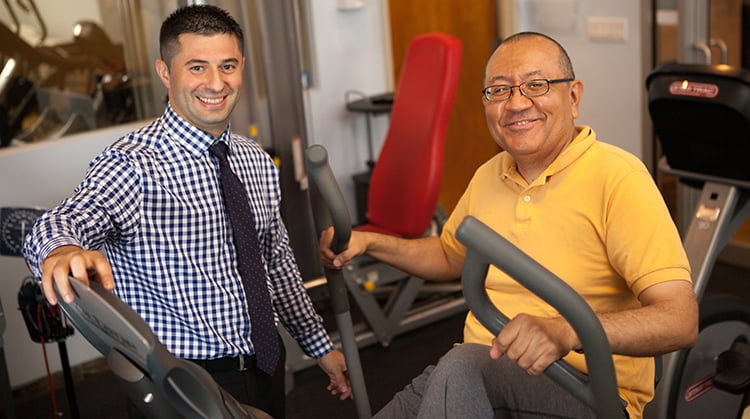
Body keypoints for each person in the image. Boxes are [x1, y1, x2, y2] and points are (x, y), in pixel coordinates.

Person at [320, 32, 699, 418]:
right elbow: (450, 257)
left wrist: (567, 331)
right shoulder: (490, 174)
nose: (516, 103)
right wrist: (370, 243)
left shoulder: (619, 178)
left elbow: (679, 319)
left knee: (463, 365)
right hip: (478, 371)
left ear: (573, 97)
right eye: (499, 91)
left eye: (536, 85)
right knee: (454, 372)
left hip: (585, 392)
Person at [23, 5, 351, 418]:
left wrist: (319, 345)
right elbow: (59, 221)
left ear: (242, 67)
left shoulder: (256, 161)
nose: (216, 83)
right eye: (197, 67)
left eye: (227, 66)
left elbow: (277, 262)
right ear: (165, 72)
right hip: (183, 378)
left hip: (266, 362)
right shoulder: (134, 165)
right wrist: (61, 250)